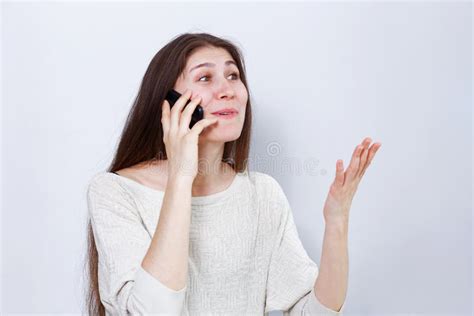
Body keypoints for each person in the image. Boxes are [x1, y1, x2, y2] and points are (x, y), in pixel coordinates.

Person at [85, 32, 379, 315]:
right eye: (204, 77)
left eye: (233, 76)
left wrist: (337, 221)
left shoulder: (262, 194)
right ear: (170, 104)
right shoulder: (115, 192)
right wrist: (181, 176)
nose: (227, 90)